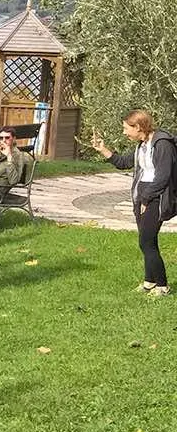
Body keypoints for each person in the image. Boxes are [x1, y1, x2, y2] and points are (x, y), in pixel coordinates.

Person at [91, 110, 177, 296]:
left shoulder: (162, 144)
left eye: (126, 128)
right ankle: (150, 282)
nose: (124, 132)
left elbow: (163, 176)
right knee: (148, 240)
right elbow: (123, 162)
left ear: (138, 127)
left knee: (146, 241)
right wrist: (103, 150)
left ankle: (162, 286)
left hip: (157, 196)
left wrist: (146, 199)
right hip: (142, 195)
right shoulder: (142, 144)